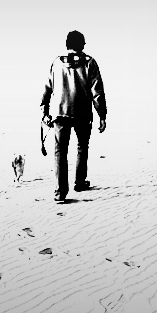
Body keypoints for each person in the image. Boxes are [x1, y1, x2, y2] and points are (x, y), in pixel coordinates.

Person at [39, 31, 107, 203]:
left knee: (60, 152)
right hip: (83, 113)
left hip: (60, 113)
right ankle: (79, 182)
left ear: (67, 45)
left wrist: (44, 111)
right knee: (82, 147)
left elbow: (47, 88)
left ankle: (60, 192)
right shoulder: (90, 62)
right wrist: (102, 115)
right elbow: (97, 92)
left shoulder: (56, 62)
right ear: (82, 45)